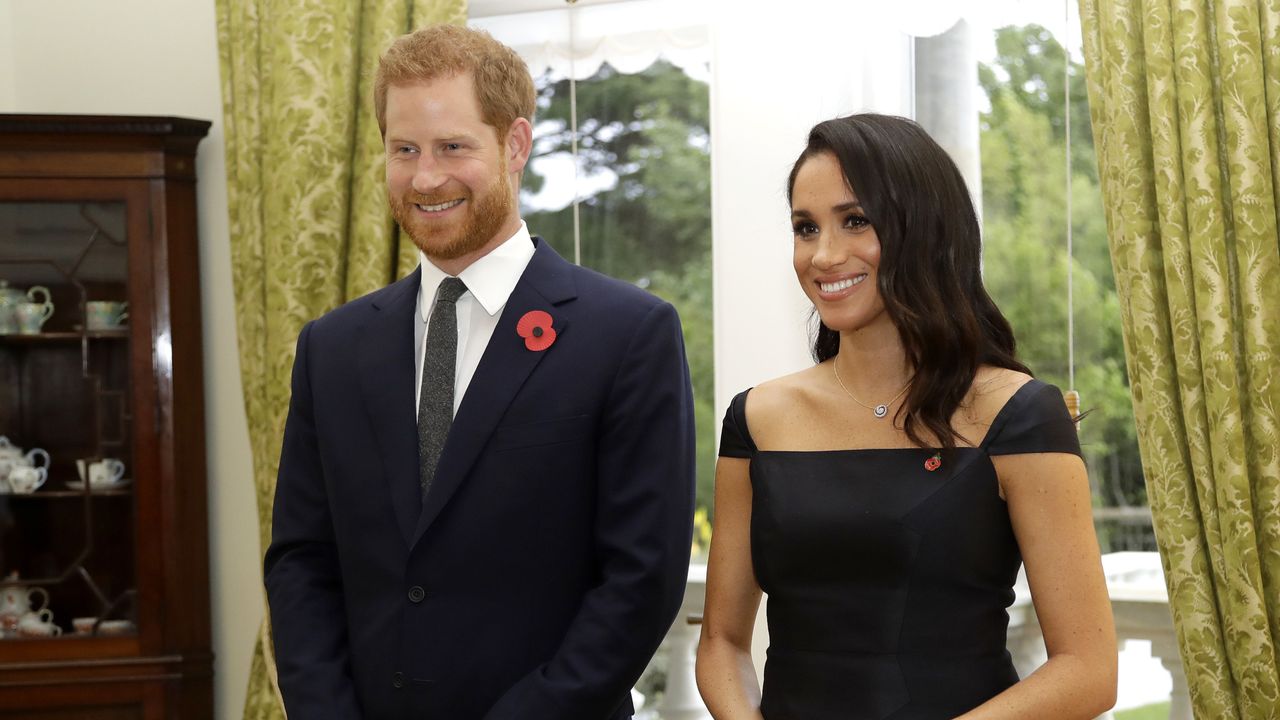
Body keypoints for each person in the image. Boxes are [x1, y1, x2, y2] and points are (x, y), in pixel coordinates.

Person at [264, 24, 696, 720]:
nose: (425, 177)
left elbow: (639, 582)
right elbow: (302, 564)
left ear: (515, 144)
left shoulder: (627, 335)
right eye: (404, 150)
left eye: (453, 147)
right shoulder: (331, 349)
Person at [695, 114, 1117, 719]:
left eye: (856, 221)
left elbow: (1089, 670)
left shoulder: (1018, 413)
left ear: (925, 228)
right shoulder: (757, 418)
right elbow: (721, 643)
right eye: (805, 227)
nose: (824, 255)